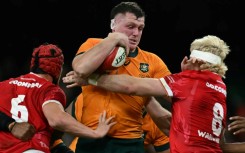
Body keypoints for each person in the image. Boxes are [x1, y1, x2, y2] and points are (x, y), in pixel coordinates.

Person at [71, 35, 231, 152]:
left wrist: (92, 79)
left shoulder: (189, 81)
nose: (187, 60)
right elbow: (215, 140)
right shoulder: (220, 88)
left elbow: (131, 86)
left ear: (197, 61)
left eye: (190, 57)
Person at [63, 1, 171, 153]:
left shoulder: (152, 61)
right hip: (91, 138)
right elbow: (81, 69)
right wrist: (113, 39)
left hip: (130, 143)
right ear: (113, 25)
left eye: (140, 28)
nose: (136, 33)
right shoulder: (93, 44)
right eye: (130, 26)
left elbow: (175, 94)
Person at [0, 43, 116, 153]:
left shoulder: (3, 85)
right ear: (58, 70)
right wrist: (95, 133)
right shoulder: (50, 90)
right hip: (30, 148)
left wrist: (9, 124)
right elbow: (56, 119)